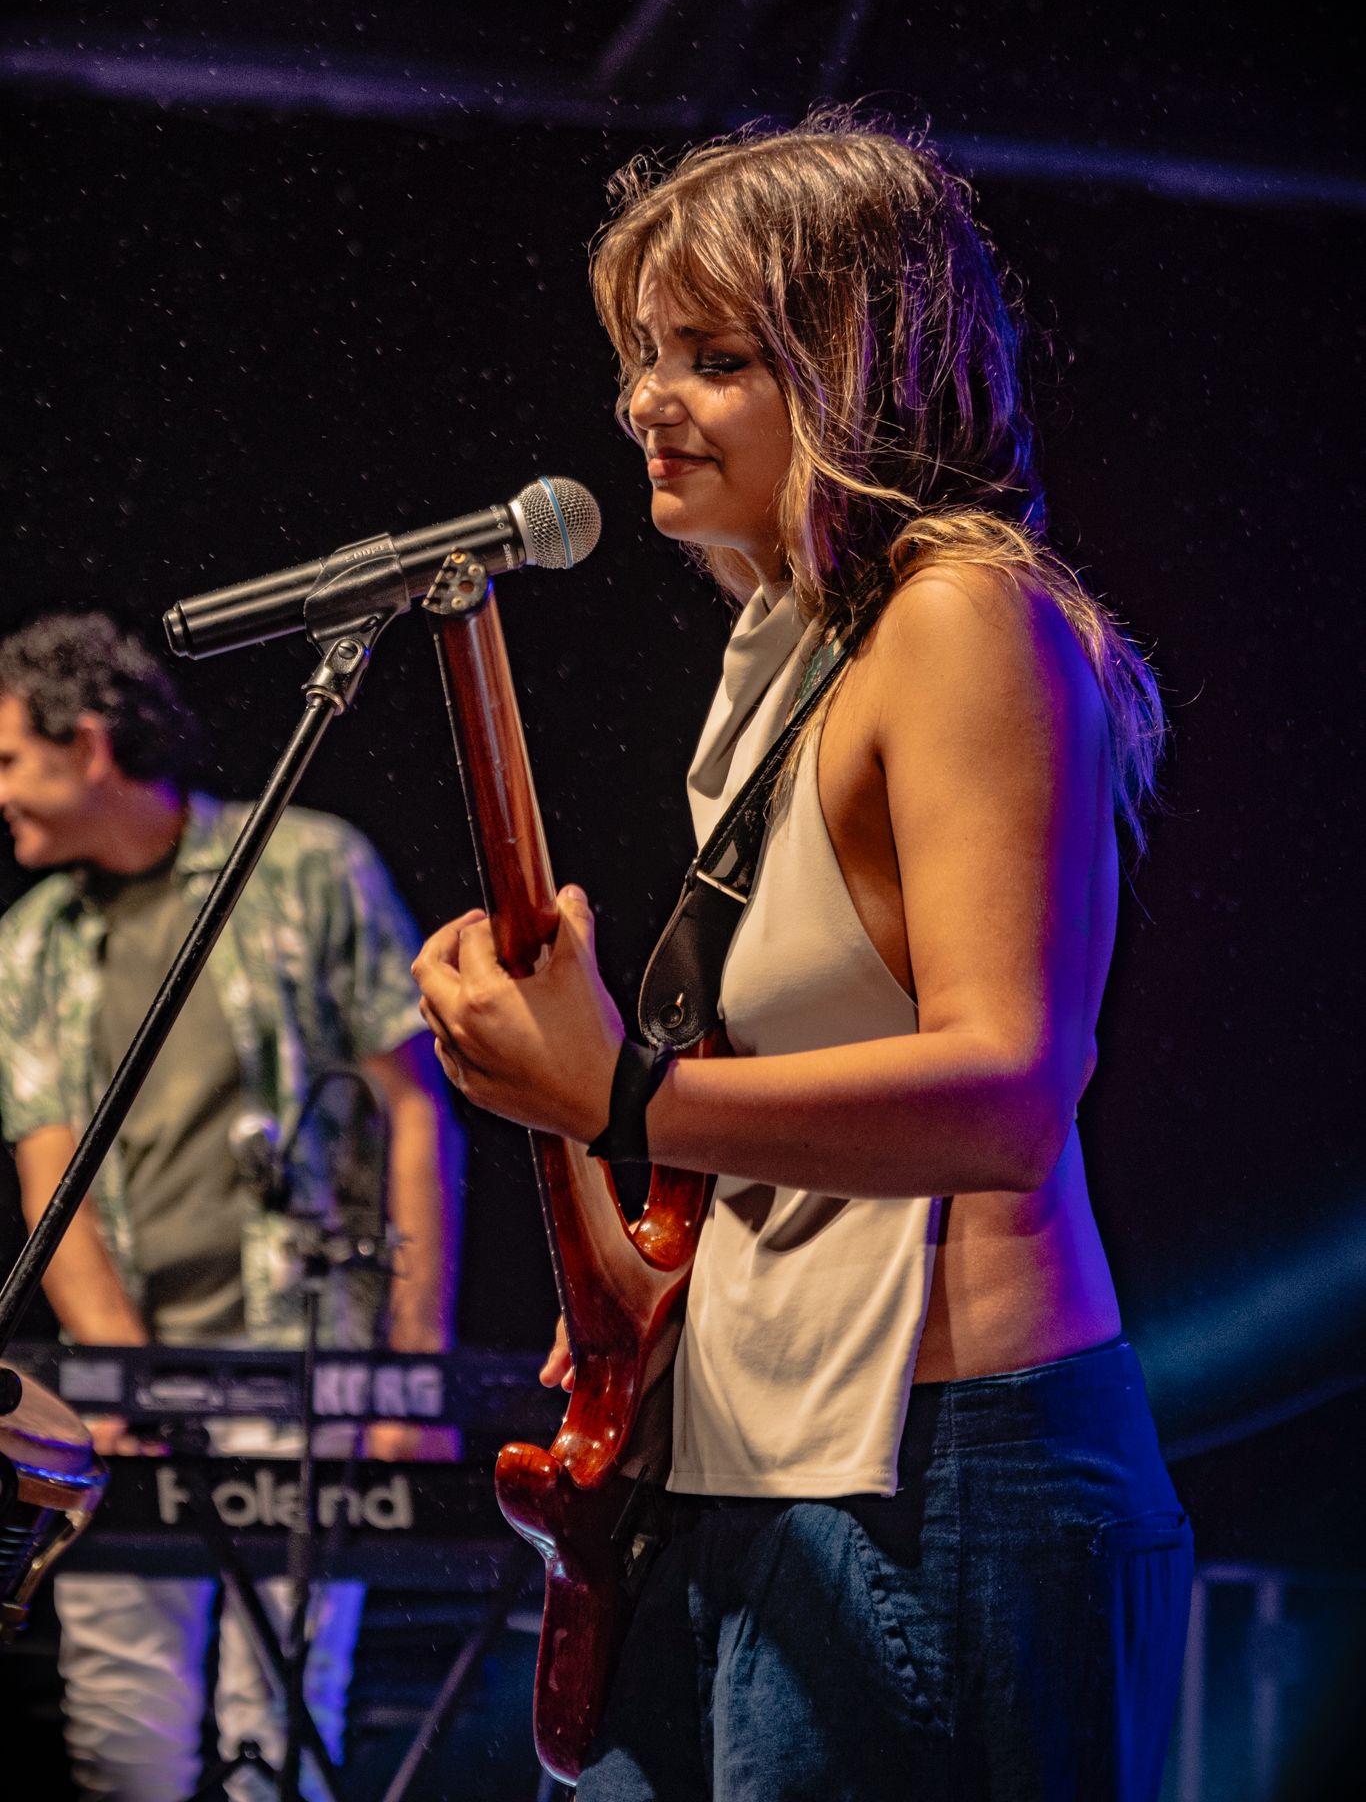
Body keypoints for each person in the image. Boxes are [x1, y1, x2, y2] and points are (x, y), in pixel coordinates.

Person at [413, 117, 1194, 1801]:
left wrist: (621, 1091)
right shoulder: (786, 660)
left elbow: (1005, 1094)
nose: (647, 402)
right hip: (761, 1459)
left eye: (715, 358)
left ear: (859, 368)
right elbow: (764, 1135)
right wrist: (603, 1189)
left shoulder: (963, 616)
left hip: (943, 1473)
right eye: (641, 356)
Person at [0, 613, 461, 1802]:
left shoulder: (306, 864)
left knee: (284, 1726)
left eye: (9, 758)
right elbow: (52, 1177)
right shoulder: (28, 943)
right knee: (124, 1739)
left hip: (303, 1361)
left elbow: (415, 1112)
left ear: (89, 744)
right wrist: (124, 1377)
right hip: (127, 1398)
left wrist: (412, 1369)